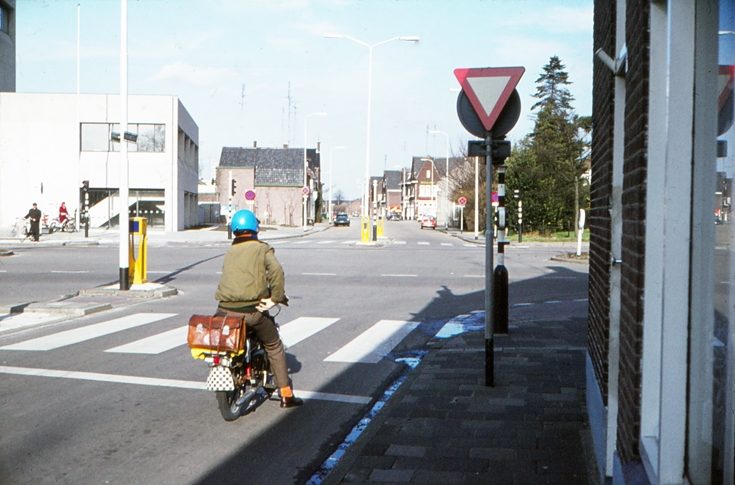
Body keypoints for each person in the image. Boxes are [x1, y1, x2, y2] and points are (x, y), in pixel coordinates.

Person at [214, 209, 303, 409]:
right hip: (252, 311)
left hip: (224, 310)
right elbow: (276, 272)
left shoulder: (230, 251)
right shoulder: (262, 249)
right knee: (273, 345)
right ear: (255, 228)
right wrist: (275, 298)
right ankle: (286, 395)